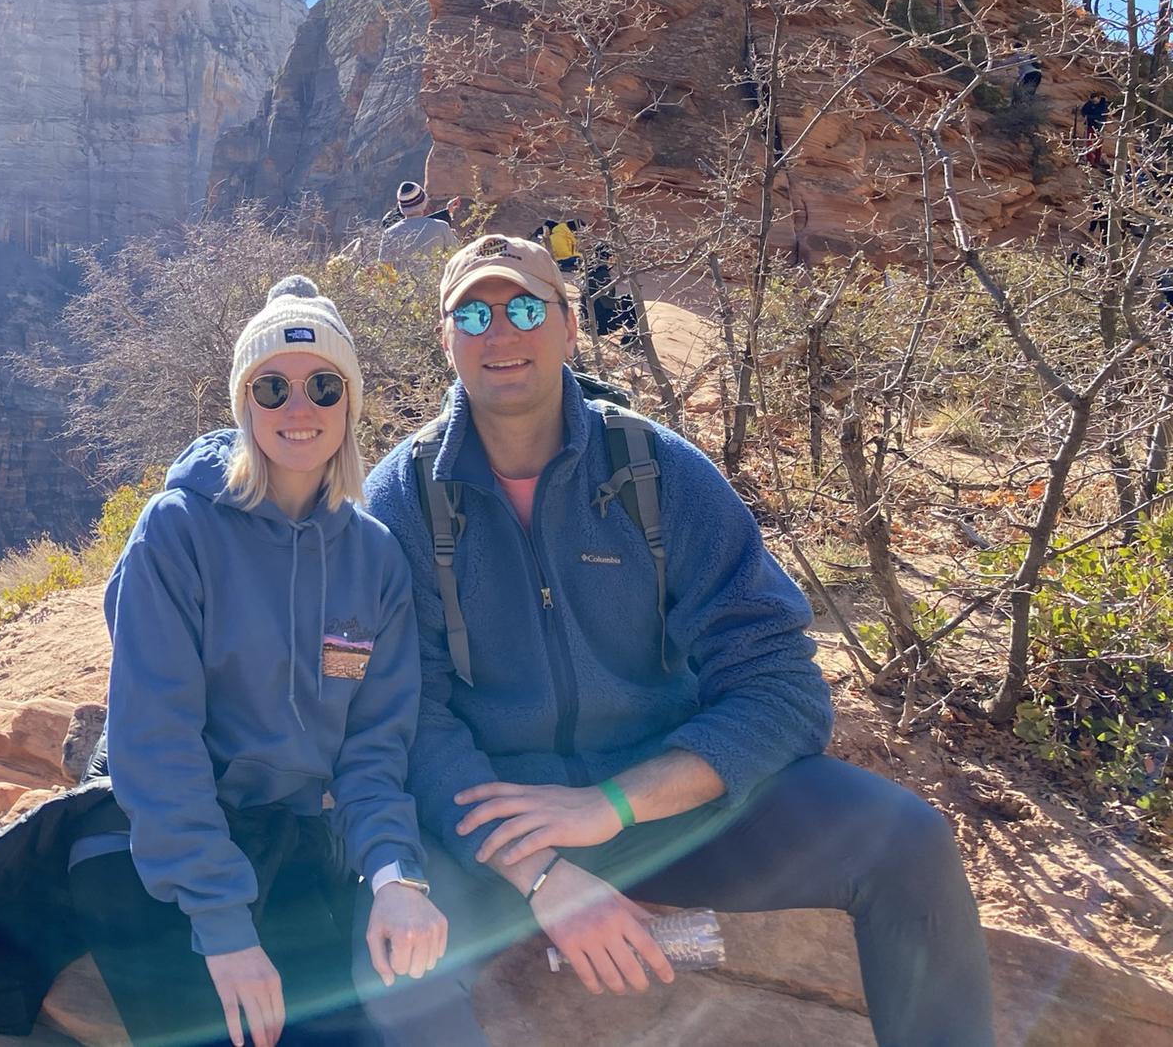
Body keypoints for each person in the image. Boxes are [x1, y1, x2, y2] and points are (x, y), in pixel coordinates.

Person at [352, 235, 997, 1047]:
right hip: (496, 820)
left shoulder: (658, 473)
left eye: (524, 308)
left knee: (905, 843)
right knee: (394, 965)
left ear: (568, 326)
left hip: (664, 805)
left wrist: (610, 806)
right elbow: (407, 715)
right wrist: (542, 874)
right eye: (472, 314)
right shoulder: (402, 500)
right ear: (445, 339)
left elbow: (781, 686)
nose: (500, 332)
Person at [79, 275, 449, 1047]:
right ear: (243, 403)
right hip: (171, 844)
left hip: (293, 843)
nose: (298, 407)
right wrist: (223, 927)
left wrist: (394, 875)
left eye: (322, 385)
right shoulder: (178, 530)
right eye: (271, 387)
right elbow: (157, 734)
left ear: (351, 403)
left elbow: (374, 748)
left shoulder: (374, 558)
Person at [379, 180, 460, 265]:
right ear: (424, 202)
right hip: (436, 278)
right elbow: (457, 256)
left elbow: (385, 271)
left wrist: (448, 211)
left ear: (401, 207)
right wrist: (452, 234)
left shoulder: (389, 234)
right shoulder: (441, 227)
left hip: (403, 278)